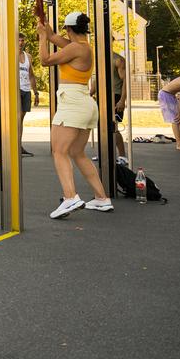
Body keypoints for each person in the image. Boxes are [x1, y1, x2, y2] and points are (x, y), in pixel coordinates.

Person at [37, 12, 113, 218]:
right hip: (84, 104)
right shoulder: (82, 47)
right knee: (78, 153)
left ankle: (70, 197)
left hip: (72, 104)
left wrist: (42, 38)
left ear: (69, 29)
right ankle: (101, 198)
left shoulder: (74, 48)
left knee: (59, 151)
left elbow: (45, 60)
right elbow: (56, 38)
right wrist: (47, 30)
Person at [17, 33, 40, 157]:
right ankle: (15, 146)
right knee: (17, 118)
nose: (21, 42)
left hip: (26, 90)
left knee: (21, 119)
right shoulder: (12, 55)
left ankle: (18, 145)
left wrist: (35, 93)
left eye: (22, 40)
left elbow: (31, 75)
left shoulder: (28, 57)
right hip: (16, 90)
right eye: (18, 40)